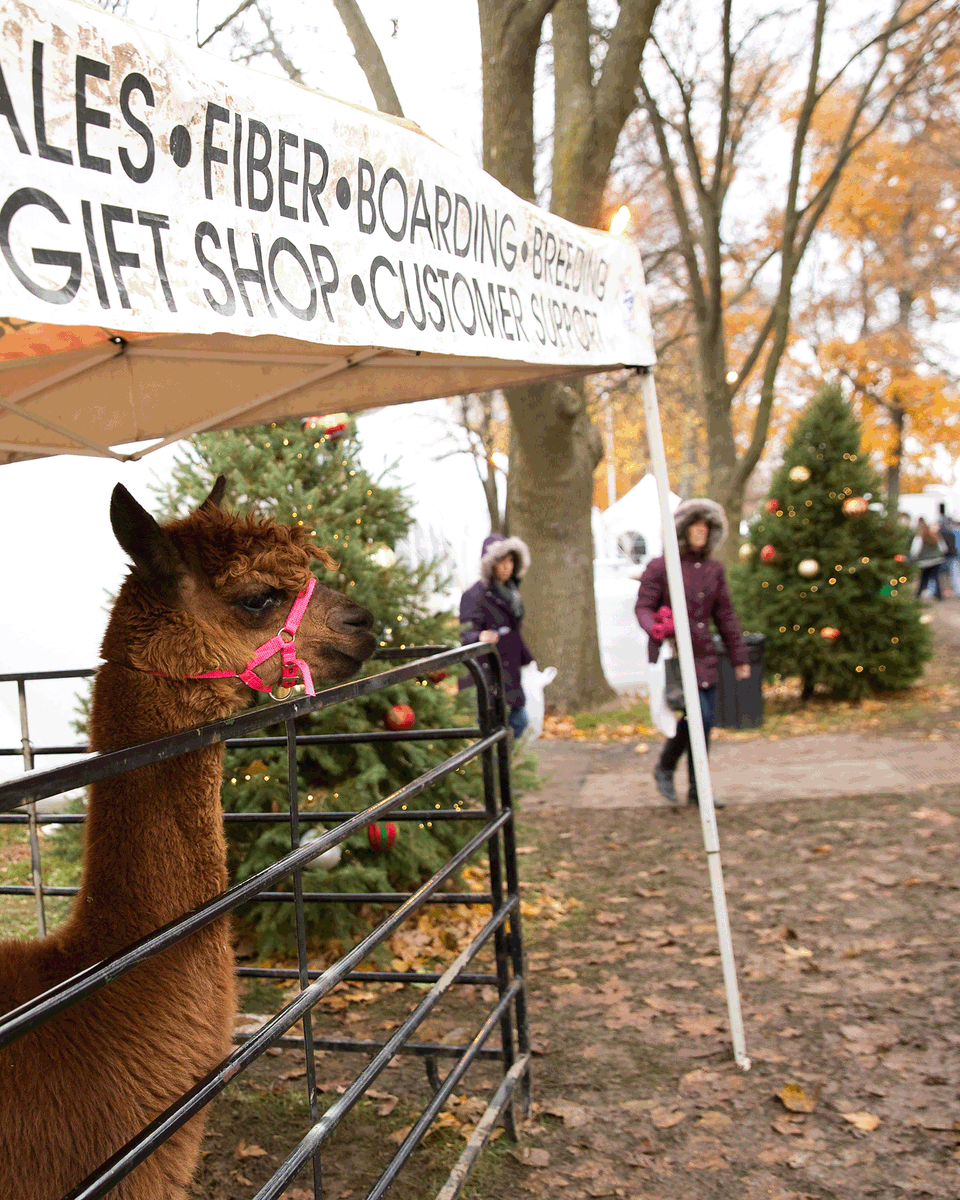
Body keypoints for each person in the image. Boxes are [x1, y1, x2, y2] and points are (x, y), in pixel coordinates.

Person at [635, 499, 750, 807]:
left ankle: (697, 788)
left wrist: (739, 657)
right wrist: (656, 626)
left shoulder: (714, 570)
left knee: (705, 722)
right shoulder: (661, 567)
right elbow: (643, 606)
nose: (701, 531)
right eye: (695, 525)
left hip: (705, 655)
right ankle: (667, 766)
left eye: (706, 526)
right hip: (674, 656)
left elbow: (725, 616)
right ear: (683, 530)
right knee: (699, 716)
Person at [459, 533, 534, 741]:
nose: (506, 566)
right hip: (485, 674)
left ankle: (504, 766)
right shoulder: (474, 595)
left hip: (509, 673)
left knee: (518, 723)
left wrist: (527, 659)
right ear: (489, 563)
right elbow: (465, 632)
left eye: (511, 560)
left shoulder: (511, 593)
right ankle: (497, 768)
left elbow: (513, 631)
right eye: (501, 561)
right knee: (493, 731)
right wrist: (479, 636)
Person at [911, 517, 946, 601]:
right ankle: (939, 596)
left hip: (924, 561)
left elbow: (915, 550)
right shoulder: (935, 535)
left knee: (924, 578)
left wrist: (914, 557)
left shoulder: (919, 537)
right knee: (935, 578)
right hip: (937, 560)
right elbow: (943, 548)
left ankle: (918, 595)